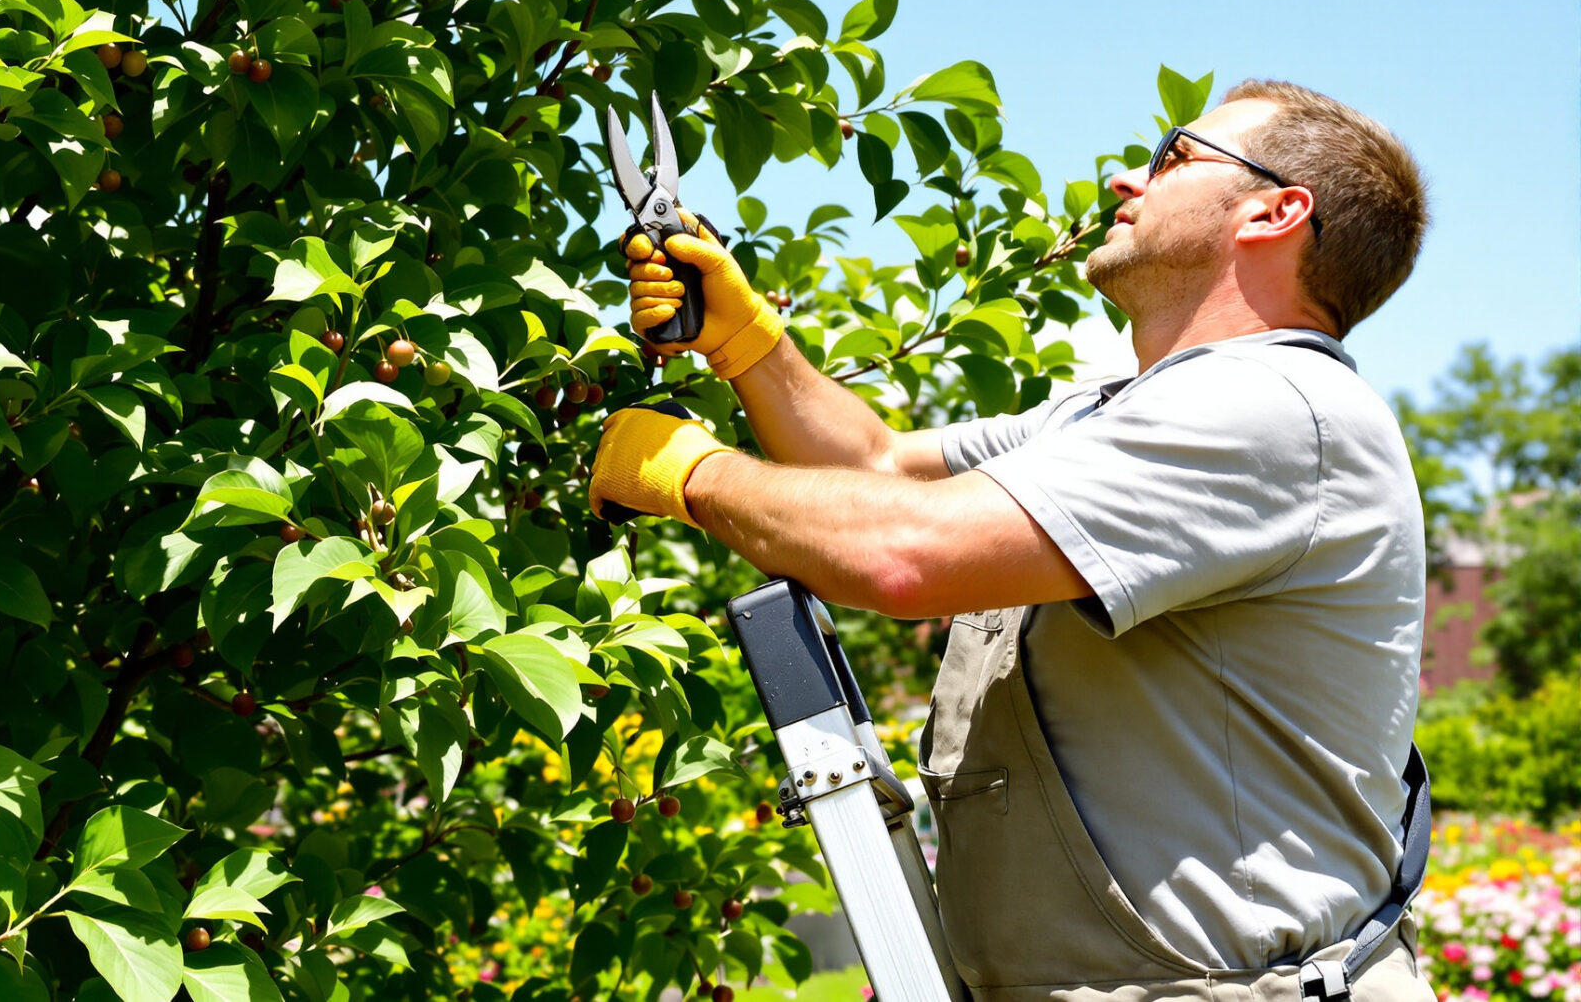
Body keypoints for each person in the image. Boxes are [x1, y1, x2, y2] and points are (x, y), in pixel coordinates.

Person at [589, 81, 1435, 1002]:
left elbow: (902, 551)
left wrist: (692, 474)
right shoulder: (1115, 415)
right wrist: (745, 341)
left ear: (1276, 210)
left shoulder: (1273, 411)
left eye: (1174, 157)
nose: (1125, 178)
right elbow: (878, 469)